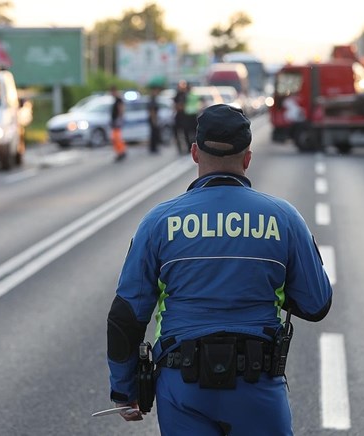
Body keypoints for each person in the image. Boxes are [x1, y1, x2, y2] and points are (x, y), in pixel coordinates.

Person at [105, 104, 333, 435]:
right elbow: (316, 304)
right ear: (248, 157)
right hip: (257, 383)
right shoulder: (284, 218)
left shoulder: (158, 222)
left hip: (182, 383)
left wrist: (125, 391)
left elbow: (126, 316)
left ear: (195, 153)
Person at [172, 80, 190, 154]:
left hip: (185, 117)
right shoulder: (177, 95)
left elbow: (184, 106)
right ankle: (180, 149)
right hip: (178, 117)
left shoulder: (186, 95)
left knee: (186, 134)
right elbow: (176, 106)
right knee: (177, 133)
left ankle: (188, 148)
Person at [110, 85, 127, 162]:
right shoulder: (116, 99)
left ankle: (121, 152)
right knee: (115, 138)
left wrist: (119, 119)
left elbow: (121, 109)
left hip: (117, 121)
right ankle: (120, 151)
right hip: (115, 121)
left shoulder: (118, 99)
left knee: (116, 138)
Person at [147, 85, 162, 154]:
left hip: (153, 118)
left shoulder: (153, 99)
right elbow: (152, 111)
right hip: (153, 119)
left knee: (154, 133)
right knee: (154, 134)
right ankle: (153, 148)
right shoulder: (152, 100)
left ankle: (153, 147)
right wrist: (154, 120)